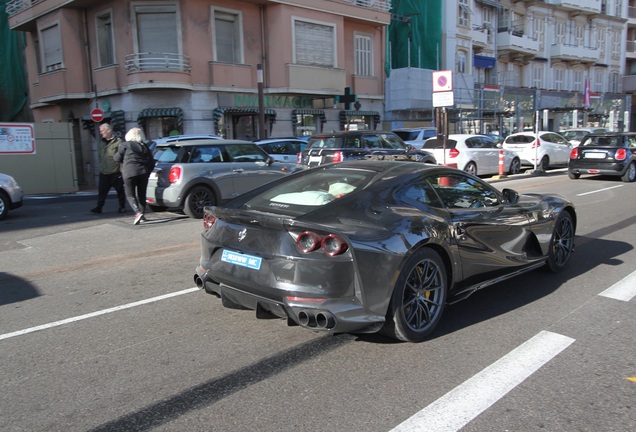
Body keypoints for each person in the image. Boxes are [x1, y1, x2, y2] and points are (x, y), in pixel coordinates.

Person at [114, 127, 155, 225]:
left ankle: (137, 212)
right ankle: (143, 215)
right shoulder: (145, 146)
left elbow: (116, 158)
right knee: (142, 194)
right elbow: (151, 161)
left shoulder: (125, 145)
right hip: (143, 172)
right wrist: (148, 171)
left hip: (129, 172)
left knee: (130, 194)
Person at [91, 123, 127, 214]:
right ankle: (99, 207)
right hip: (104, 172)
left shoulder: (118, 142)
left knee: (120, 191)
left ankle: (122, 206)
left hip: (115, 172)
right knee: (102, 191)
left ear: (108, 131)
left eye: (102, 131)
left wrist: (121, 169)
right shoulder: (101, 142)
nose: (101, 133)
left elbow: (123, 156)